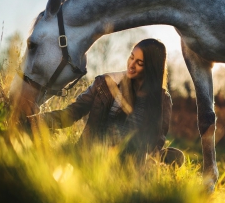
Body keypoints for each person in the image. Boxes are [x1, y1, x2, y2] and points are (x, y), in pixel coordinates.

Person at [29, 38, 184, 166]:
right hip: (92, 155)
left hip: (131, 165)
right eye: (131, 57)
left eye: (139, 63)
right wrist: (35, 121)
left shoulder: (162, 99)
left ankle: (160, 166)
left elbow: (157, 141)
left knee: (176, 157)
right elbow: (73, 112)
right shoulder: (106, 83)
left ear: (151, 67)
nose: (131, 64)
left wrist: (148, 163)